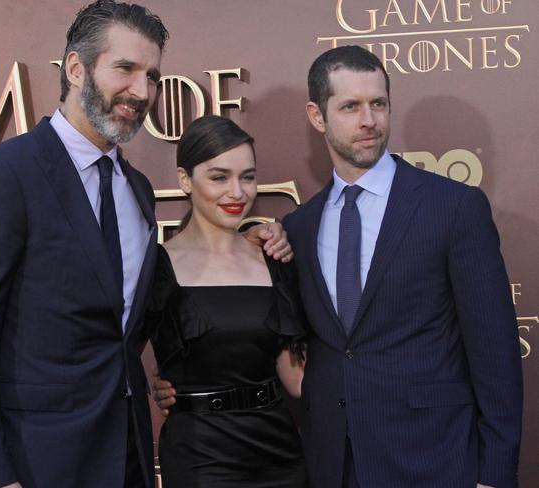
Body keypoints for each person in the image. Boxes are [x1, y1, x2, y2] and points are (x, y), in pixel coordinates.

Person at [0, 2, 291, 488]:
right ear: (77, 68)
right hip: (33, 459)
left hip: (125, 455)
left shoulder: (137, 189)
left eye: (152, 76)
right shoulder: (4, 175)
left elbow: (126, 324)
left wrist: (247, 242)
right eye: (125, 69)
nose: (141, 91)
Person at [153, 46, 523, 488]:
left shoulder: (453, 208)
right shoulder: (299, 230)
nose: (369, 120)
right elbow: (277, 343)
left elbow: (496, 353)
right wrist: (183, 383)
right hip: (330, 463)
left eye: (378, 103)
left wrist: (495, 474)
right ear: (317, 115)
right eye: (350, 106)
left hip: (434, 459)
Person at [147, 115, 307, 487]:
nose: (237, 192)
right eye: (219, 177)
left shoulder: (273, 256)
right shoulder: (156, 266)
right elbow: (116, 355)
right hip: (201, 459)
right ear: (185, 179)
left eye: (247, 176)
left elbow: (296, 379)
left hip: (280, 452)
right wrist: (156, 385)